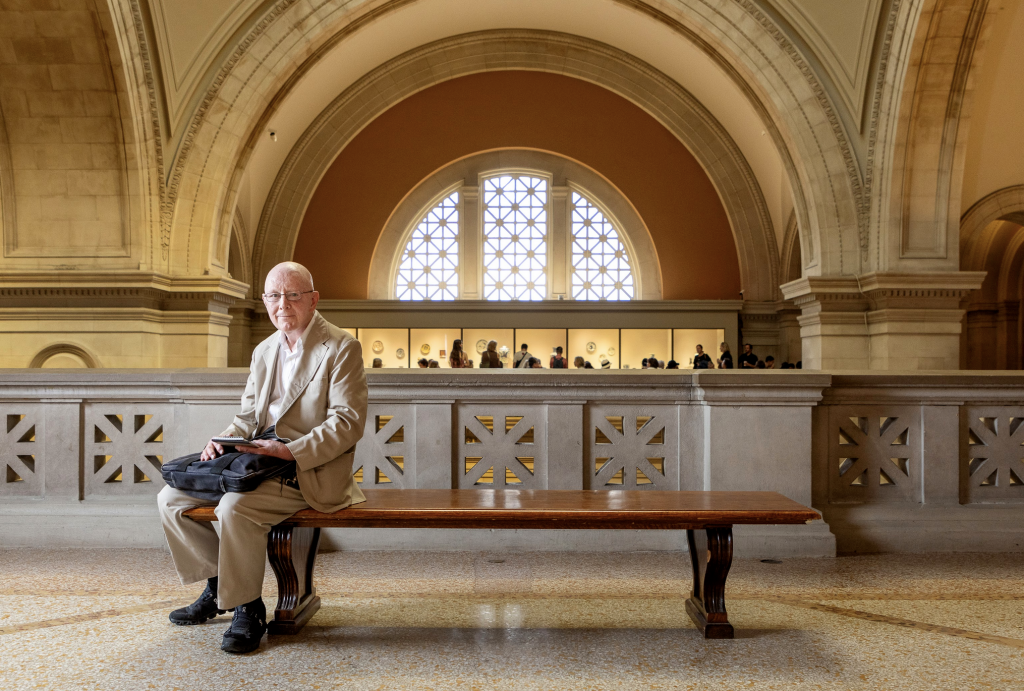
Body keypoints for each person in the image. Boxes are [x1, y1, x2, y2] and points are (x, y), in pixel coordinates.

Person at [157, 262, 367, 654]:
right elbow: (249, 416)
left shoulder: (340, 347)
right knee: (169, 500)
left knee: (236, 508)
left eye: (292, 295)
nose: (281, 304)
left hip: (306, 468)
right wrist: (224, 441)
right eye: (273, 296)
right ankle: (223, 587)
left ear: (313, 299)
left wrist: (290, 450)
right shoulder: (265, 349)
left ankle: (246, 611)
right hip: (258, 460)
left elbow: (348, 423)